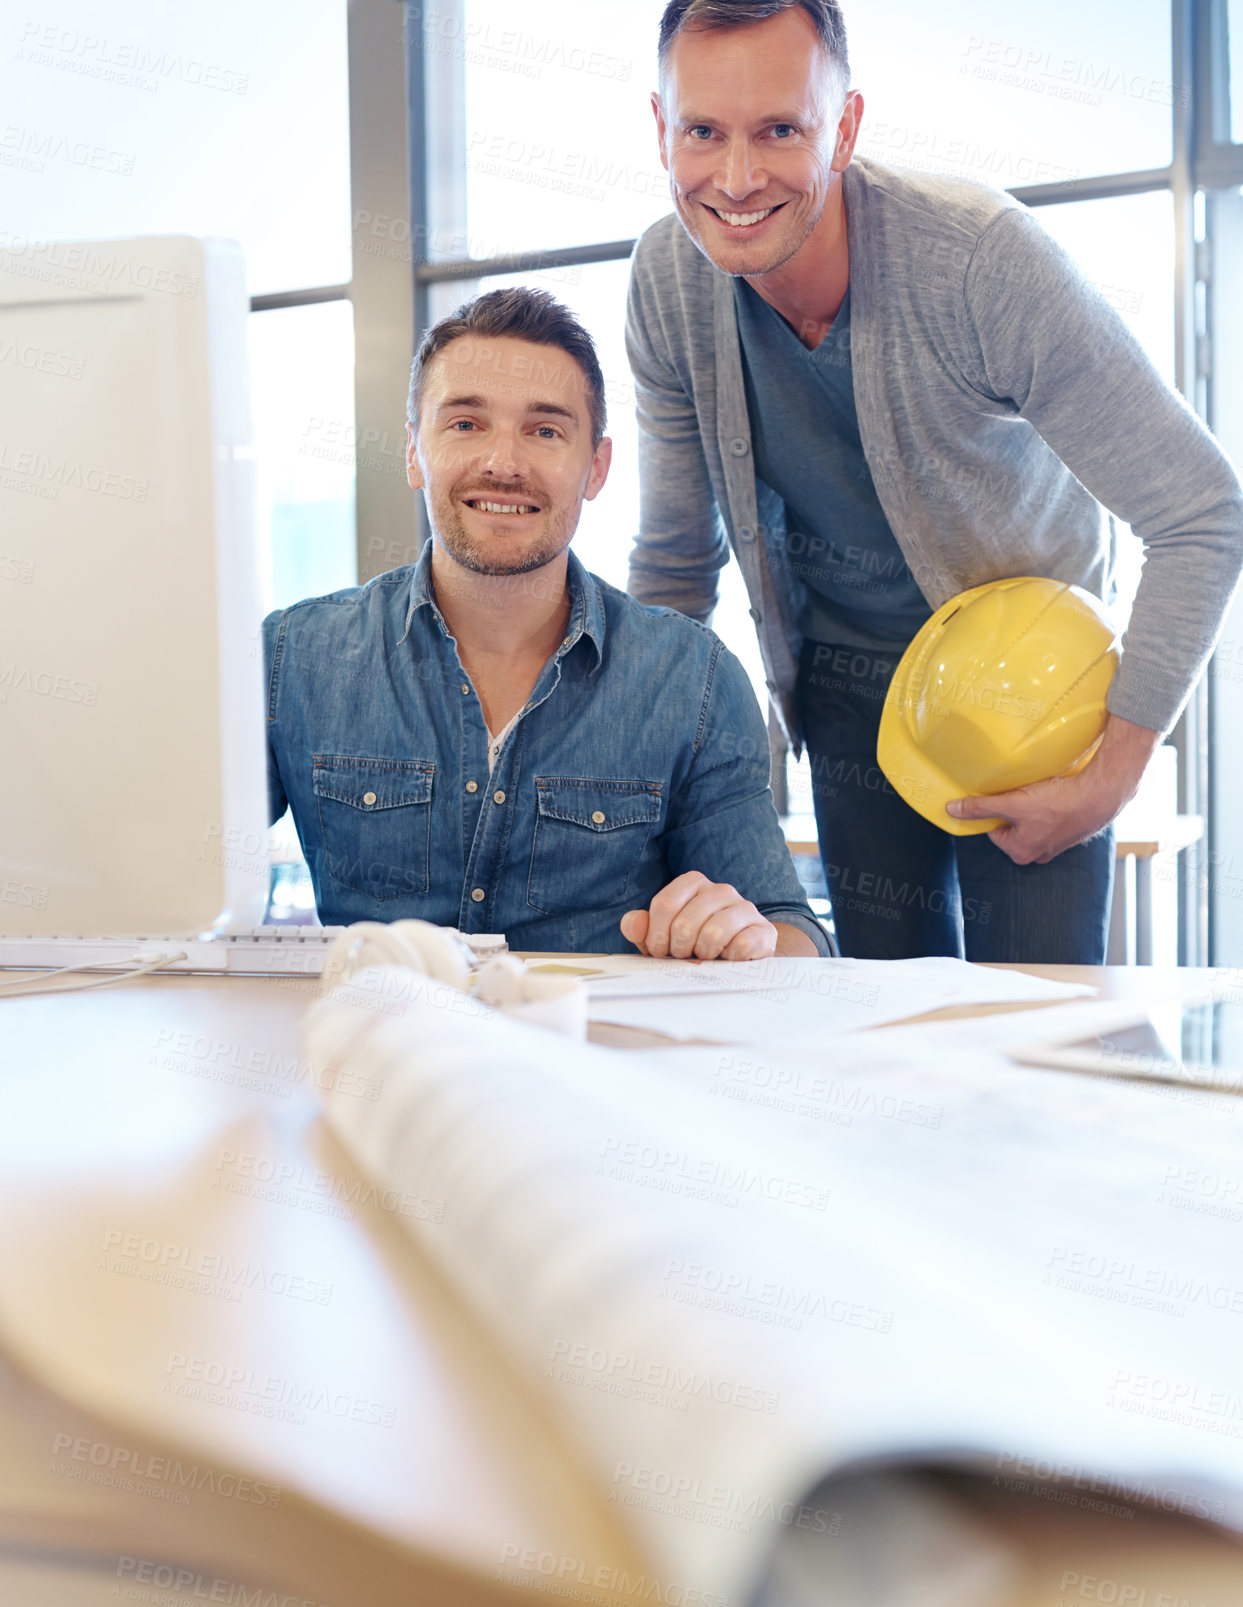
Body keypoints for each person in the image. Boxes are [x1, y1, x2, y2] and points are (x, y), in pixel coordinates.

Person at [626, 0, 1243, 963]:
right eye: (703, 131)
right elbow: (672, 570)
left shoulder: (977, 261)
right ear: (661, 131)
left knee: (1033, 1034)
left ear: (847, 128)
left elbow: (1202, 511)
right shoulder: (666, 282)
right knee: (882, 1040)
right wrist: (639, 787)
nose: (737, 178)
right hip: (845, 691)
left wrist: (1113, 775)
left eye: (780, 129)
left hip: (1031, 698)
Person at [263, 287, 827, 960]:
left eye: (545, 430)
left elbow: (792, 937)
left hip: (594, 1056)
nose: (503, 463)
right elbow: (165, 873)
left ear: (596, 467)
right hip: (372, 1054)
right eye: (466, 424)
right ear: (414, 451)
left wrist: (747, 936)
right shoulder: (293, 658)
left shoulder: (692, 678)